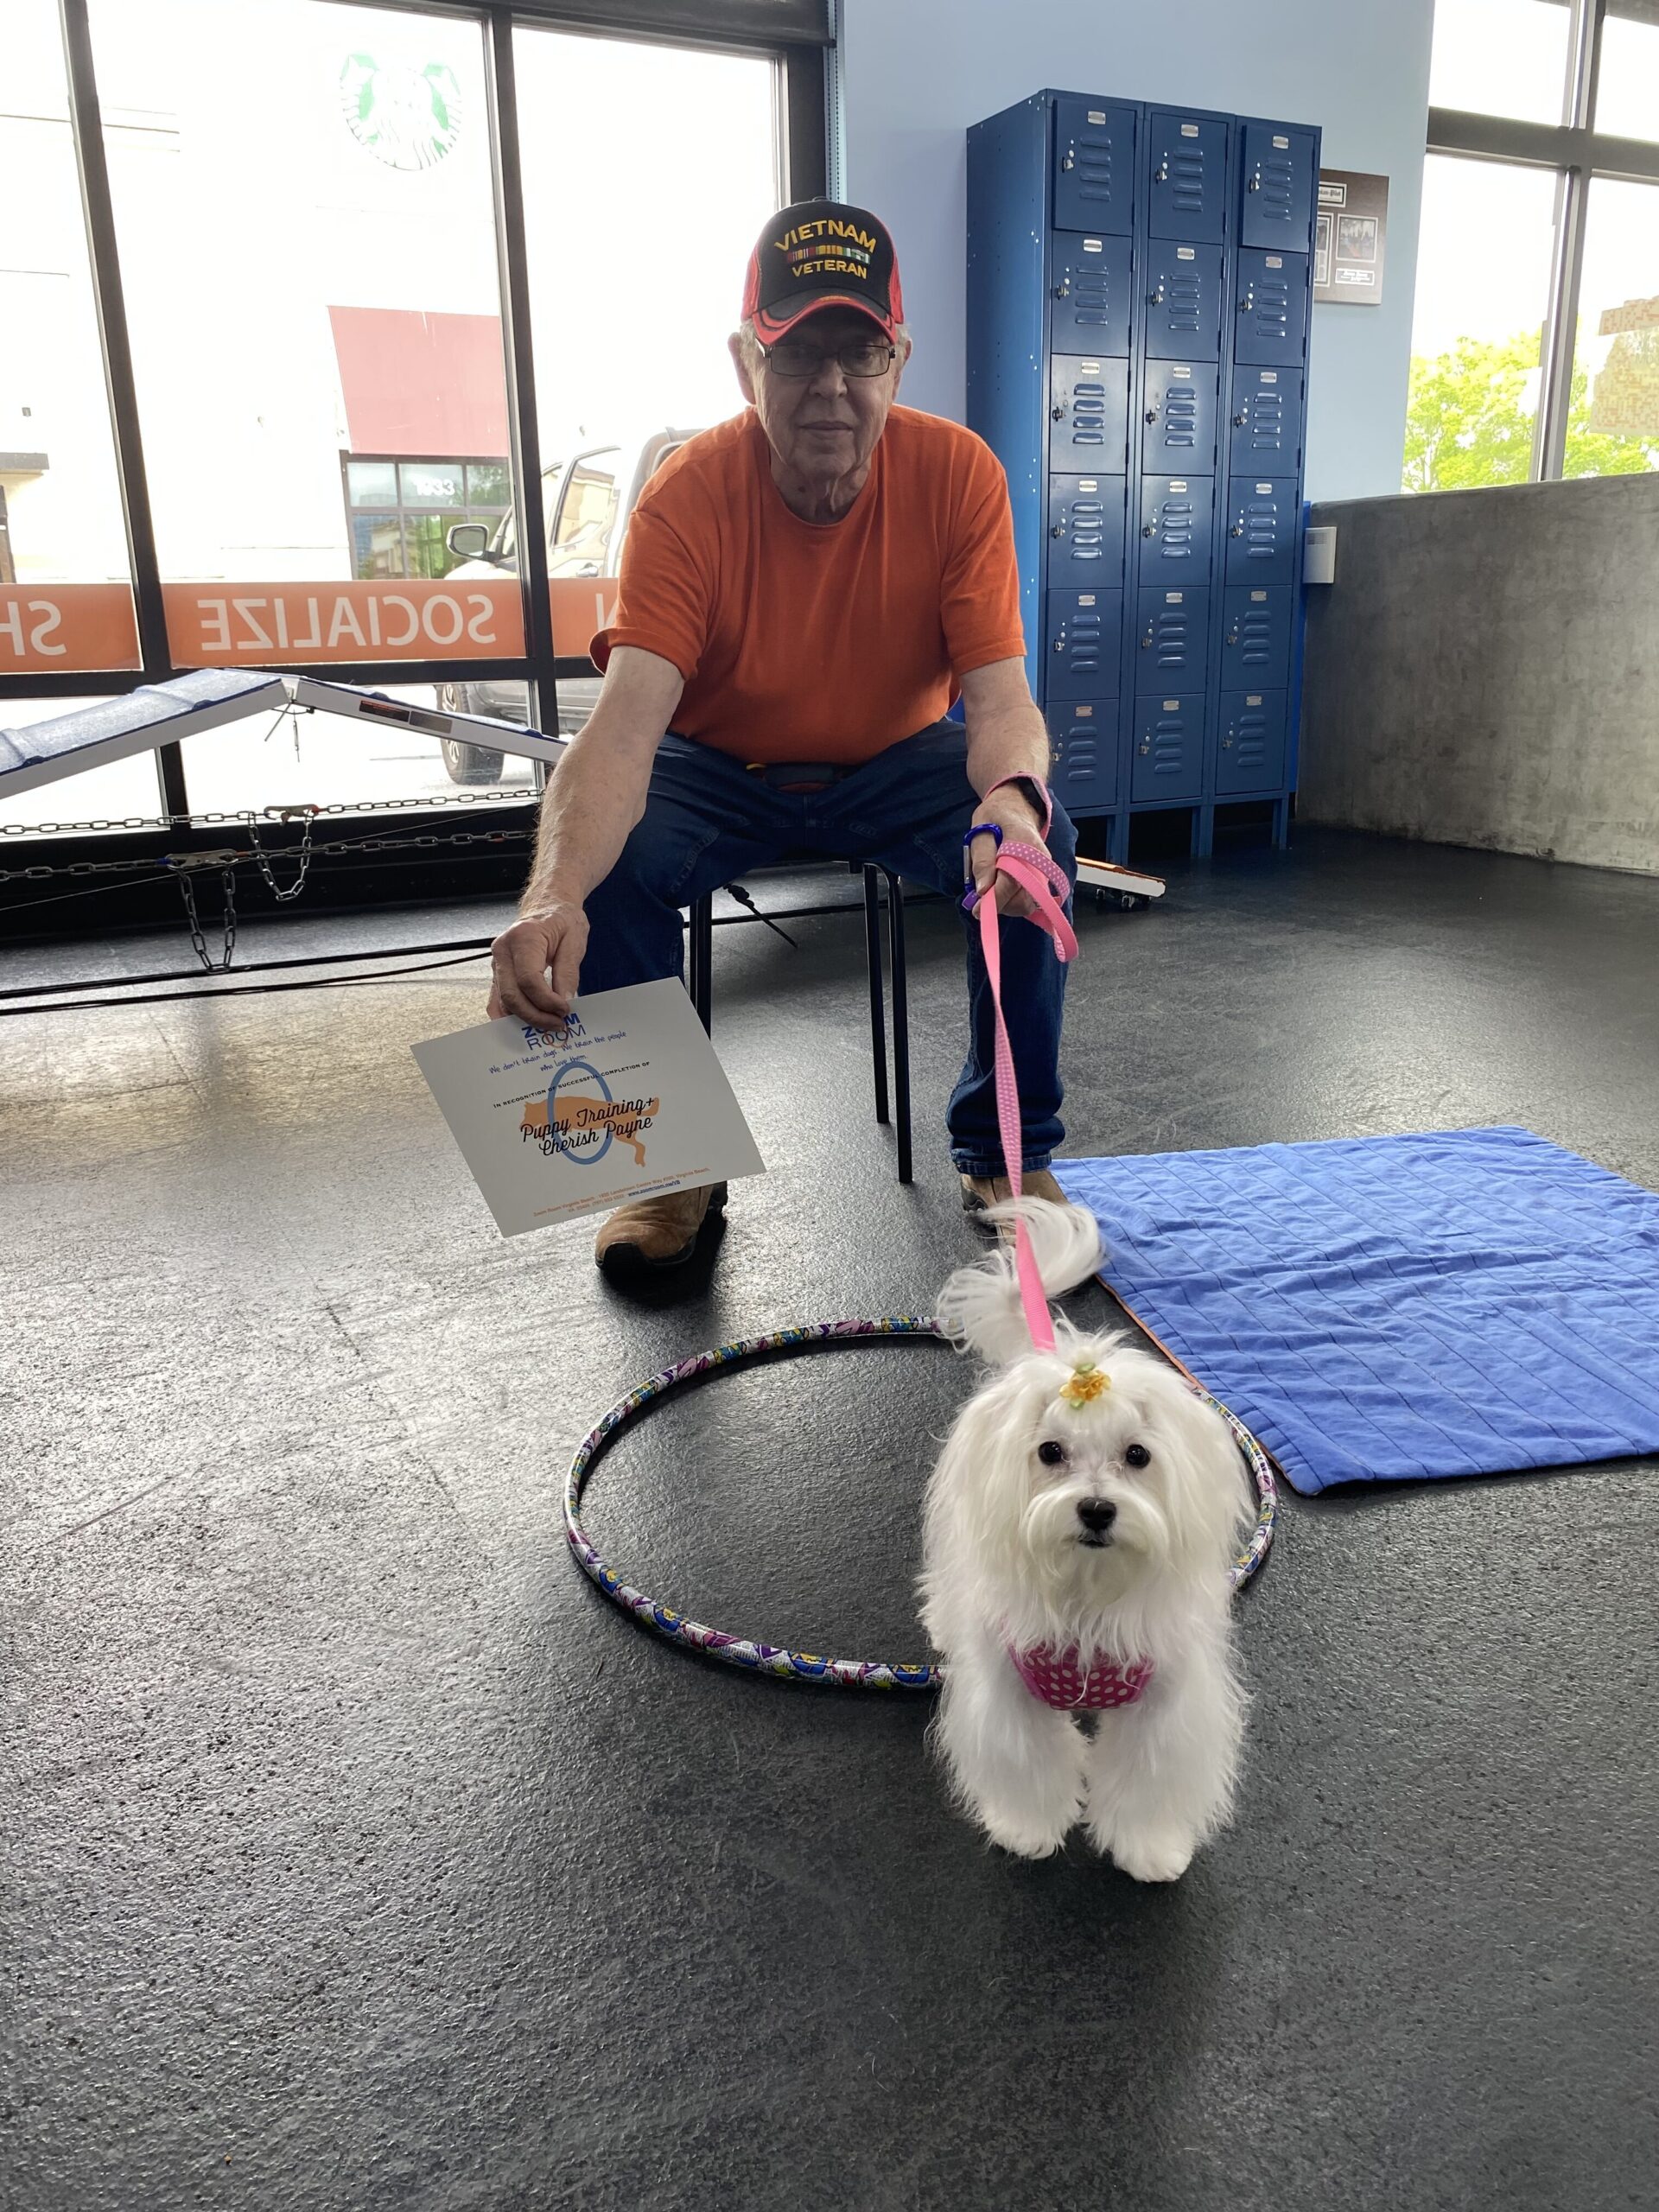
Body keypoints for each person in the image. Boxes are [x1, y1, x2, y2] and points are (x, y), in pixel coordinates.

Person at [488, 199, 1075, 1287]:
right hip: (718, 769)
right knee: (601, 870)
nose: (832, 388)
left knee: (1042, 855)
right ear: (744, 359)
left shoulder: (958, 477)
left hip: (898, 760)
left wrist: (1012, 807)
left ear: (899, 358)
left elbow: (1000, 699)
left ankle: (1005, 1150)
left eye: (859, 352)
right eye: (798, 352)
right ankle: (666, 1165)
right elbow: (621, 734)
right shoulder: (685, 500)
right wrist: (551, 894)